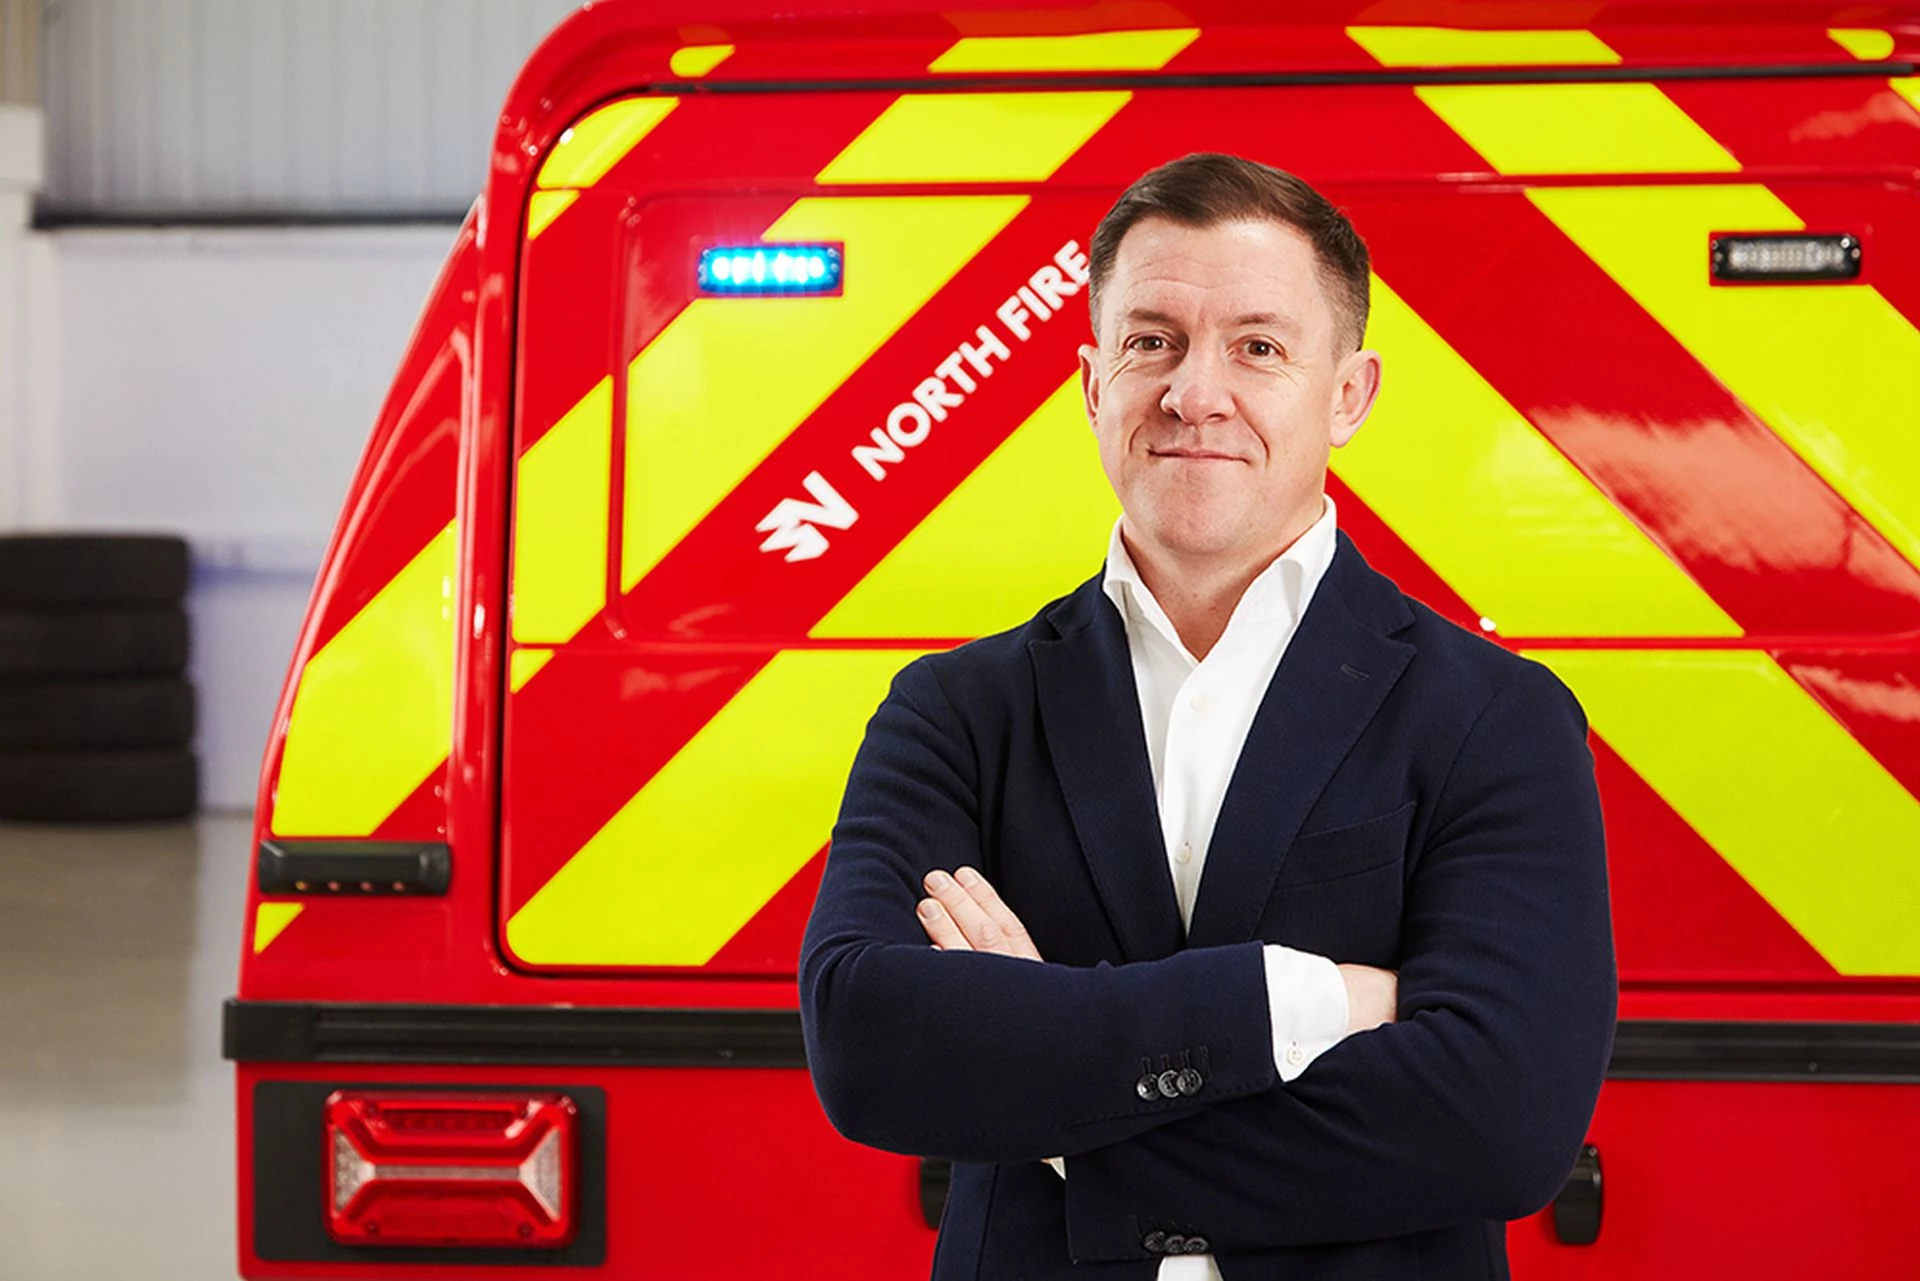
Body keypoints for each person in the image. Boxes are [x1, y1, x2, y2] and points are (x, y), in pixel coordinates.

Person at [799, 152, 1615, 1280]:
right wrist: (1307, 996)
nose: (1193, 392)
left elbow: (1503, 1121)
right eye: (1151, 342)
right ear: (1093, 386)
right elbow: (869, 1043)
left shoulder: (1497, 717)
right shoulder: (956, 712)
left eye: (1259, 347)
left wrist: (1058, 1110)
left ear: (1349, 395)